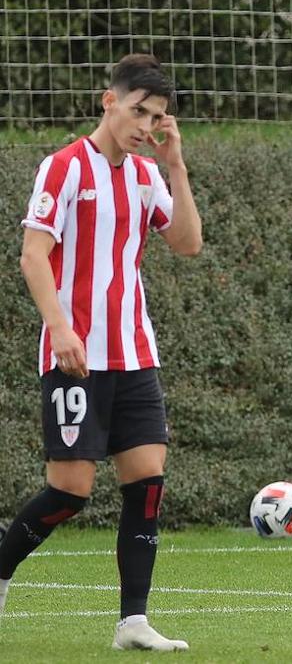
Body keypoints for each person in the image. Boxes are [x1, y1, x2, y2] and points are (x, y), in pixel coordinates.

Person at [1, 54, 202, 651]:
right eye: (138, 110)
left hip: (135, 354)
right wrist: (59, 328)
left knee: (148, 484)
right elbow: (33, 255)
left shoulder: (146, 176)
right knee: (69, 491)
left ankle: (132, 622)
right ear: (108, 101)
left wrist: (176, 166)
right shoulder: (63, 168)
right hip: (75, 356)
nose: (146, 124)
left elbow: (188, 243)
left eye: (157, 116)